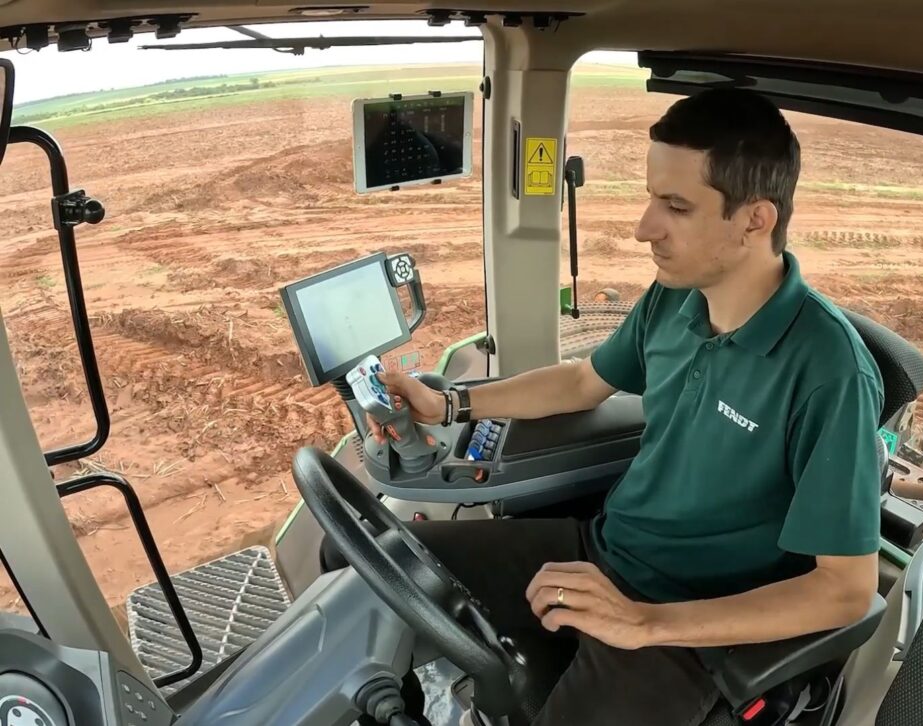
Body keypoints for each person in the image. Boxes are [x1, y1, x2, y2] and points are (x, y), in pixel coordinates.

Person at [326, 87, 885, 726]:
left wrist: (645, 622)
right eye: (652, 198)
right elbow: (581, 383)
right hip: (599, 551)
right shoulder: (675, 298)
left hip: (686, 627)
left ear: (755, 220)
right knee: (360, 564)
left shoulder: (831, 372)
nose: (644, 227)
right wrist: (450, 405)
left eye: (676, 206)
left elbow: (845, 590)